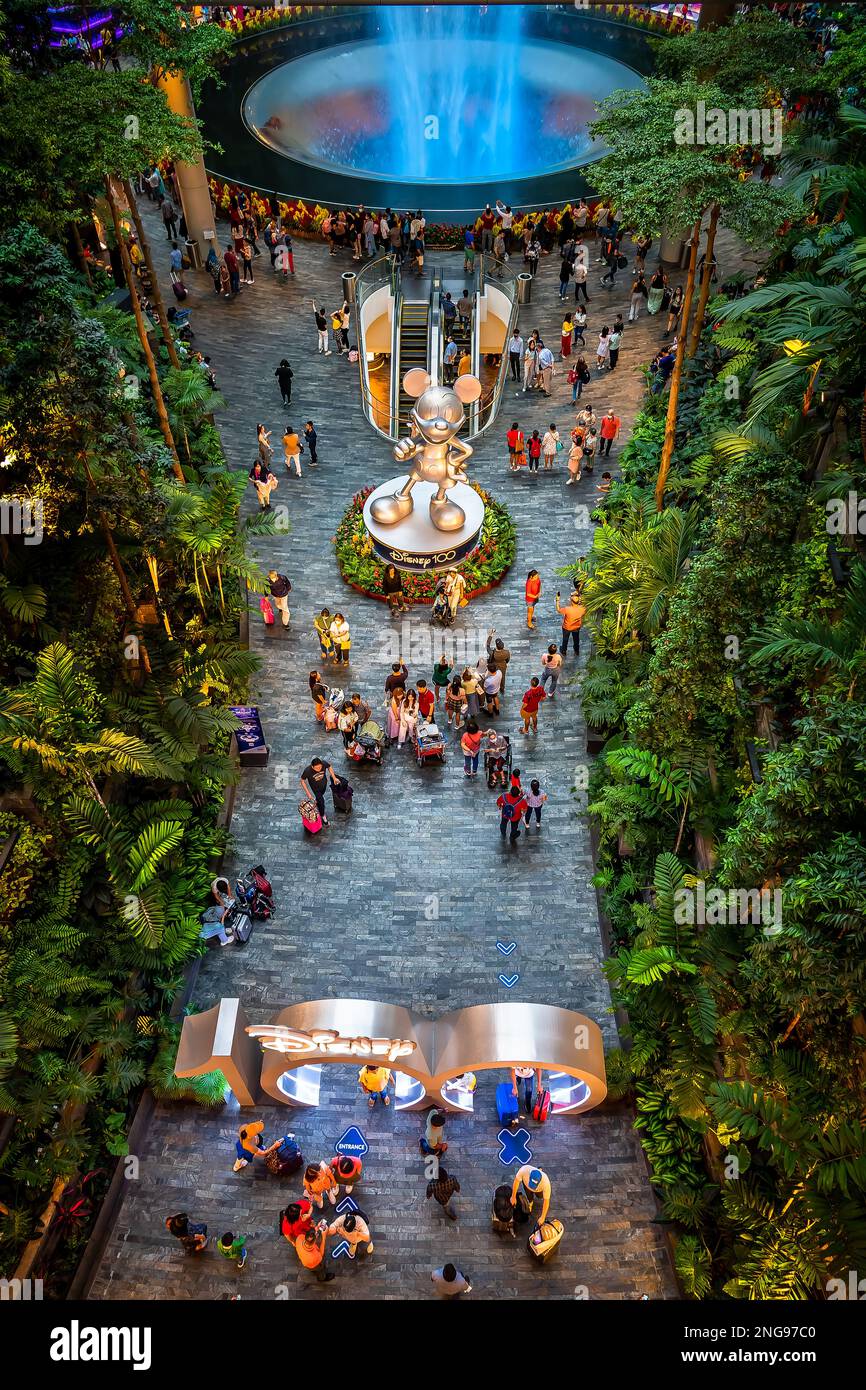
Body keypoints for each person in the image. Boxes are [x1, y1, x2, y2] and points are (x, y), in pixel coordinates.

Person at [300, 756, 340, 825]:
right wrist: (308, 794)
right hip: (316, 789)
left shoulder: (323, 763)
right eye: (317, 768)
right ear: (312, 767)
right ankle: (323, 815)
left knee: (320, 798)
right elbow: (302, 781)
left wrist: (334, 778)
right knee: (321, 802)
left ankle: (318, 802)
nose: (319, 769)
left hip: (324, 785)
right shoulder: (308, 771)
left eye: (320, 767)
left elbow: (329, 767)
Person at [556, 589, 586, 657]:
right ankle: (576, 650)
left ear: (571, 601)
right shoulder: (583, 609)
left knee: (565, 639)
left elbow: (558, 610)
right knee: (576, 639)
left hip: (567, 627)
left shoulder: (567, 609)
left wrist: (557, 600)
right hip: (576, 627)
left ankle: (564, 650)